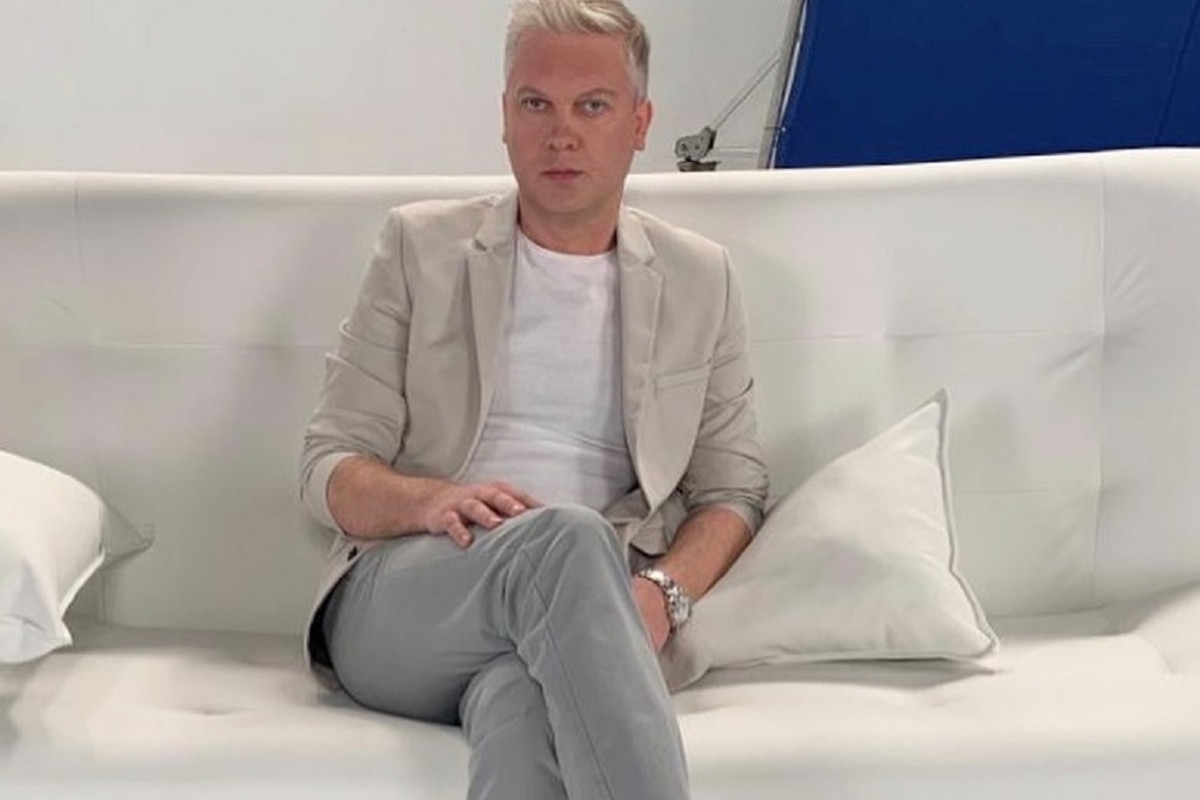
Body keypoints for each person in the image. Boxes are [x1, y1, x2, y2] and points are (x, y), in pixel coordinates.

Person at [298, 1, 768, 797]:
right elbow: (326, 468)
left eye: (593, 106)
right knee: (566, 539)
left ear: (640, 122)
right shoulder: (419, 247)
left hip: (581, 613)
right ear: (505, 118)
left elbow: (735, 490)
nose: (561, 133)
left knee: (520, 706)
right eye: (536, 104)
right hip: (409, 595)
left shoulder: (700, 279)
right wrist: (430, 500)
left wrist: (663, 592)